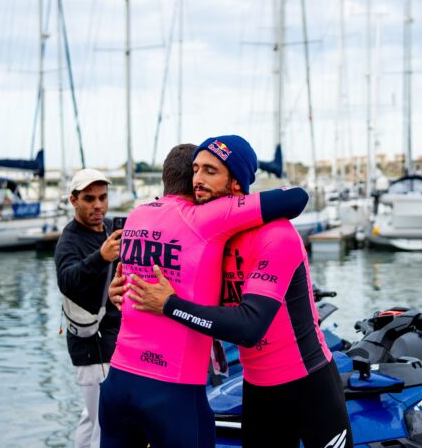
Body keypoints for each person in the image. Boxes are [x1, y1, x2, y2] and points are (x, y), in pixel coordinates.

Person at [116, 141, 353, 448]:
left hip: (308, 384)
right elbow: (166, 288)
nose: (197, 179)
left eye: (210, 171)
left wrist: (170, 305)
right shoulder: (209, 239)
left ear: (236, 182)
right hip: (257, 389)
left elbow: (250, 327)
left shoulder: (277, 235)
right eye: (195, 170)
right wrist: (122, 292)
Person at [54, 168, 122, 448]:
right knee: (100, 420)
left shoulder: (108, 228)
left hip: (112, 337)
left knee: (93, 417)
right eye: (89, 198)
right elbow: (66, 280)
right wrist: (101, 257)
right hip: (89, 343)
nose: (98, 205)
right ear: (74, 200)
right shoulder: (69, 239)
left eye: (103, 198)